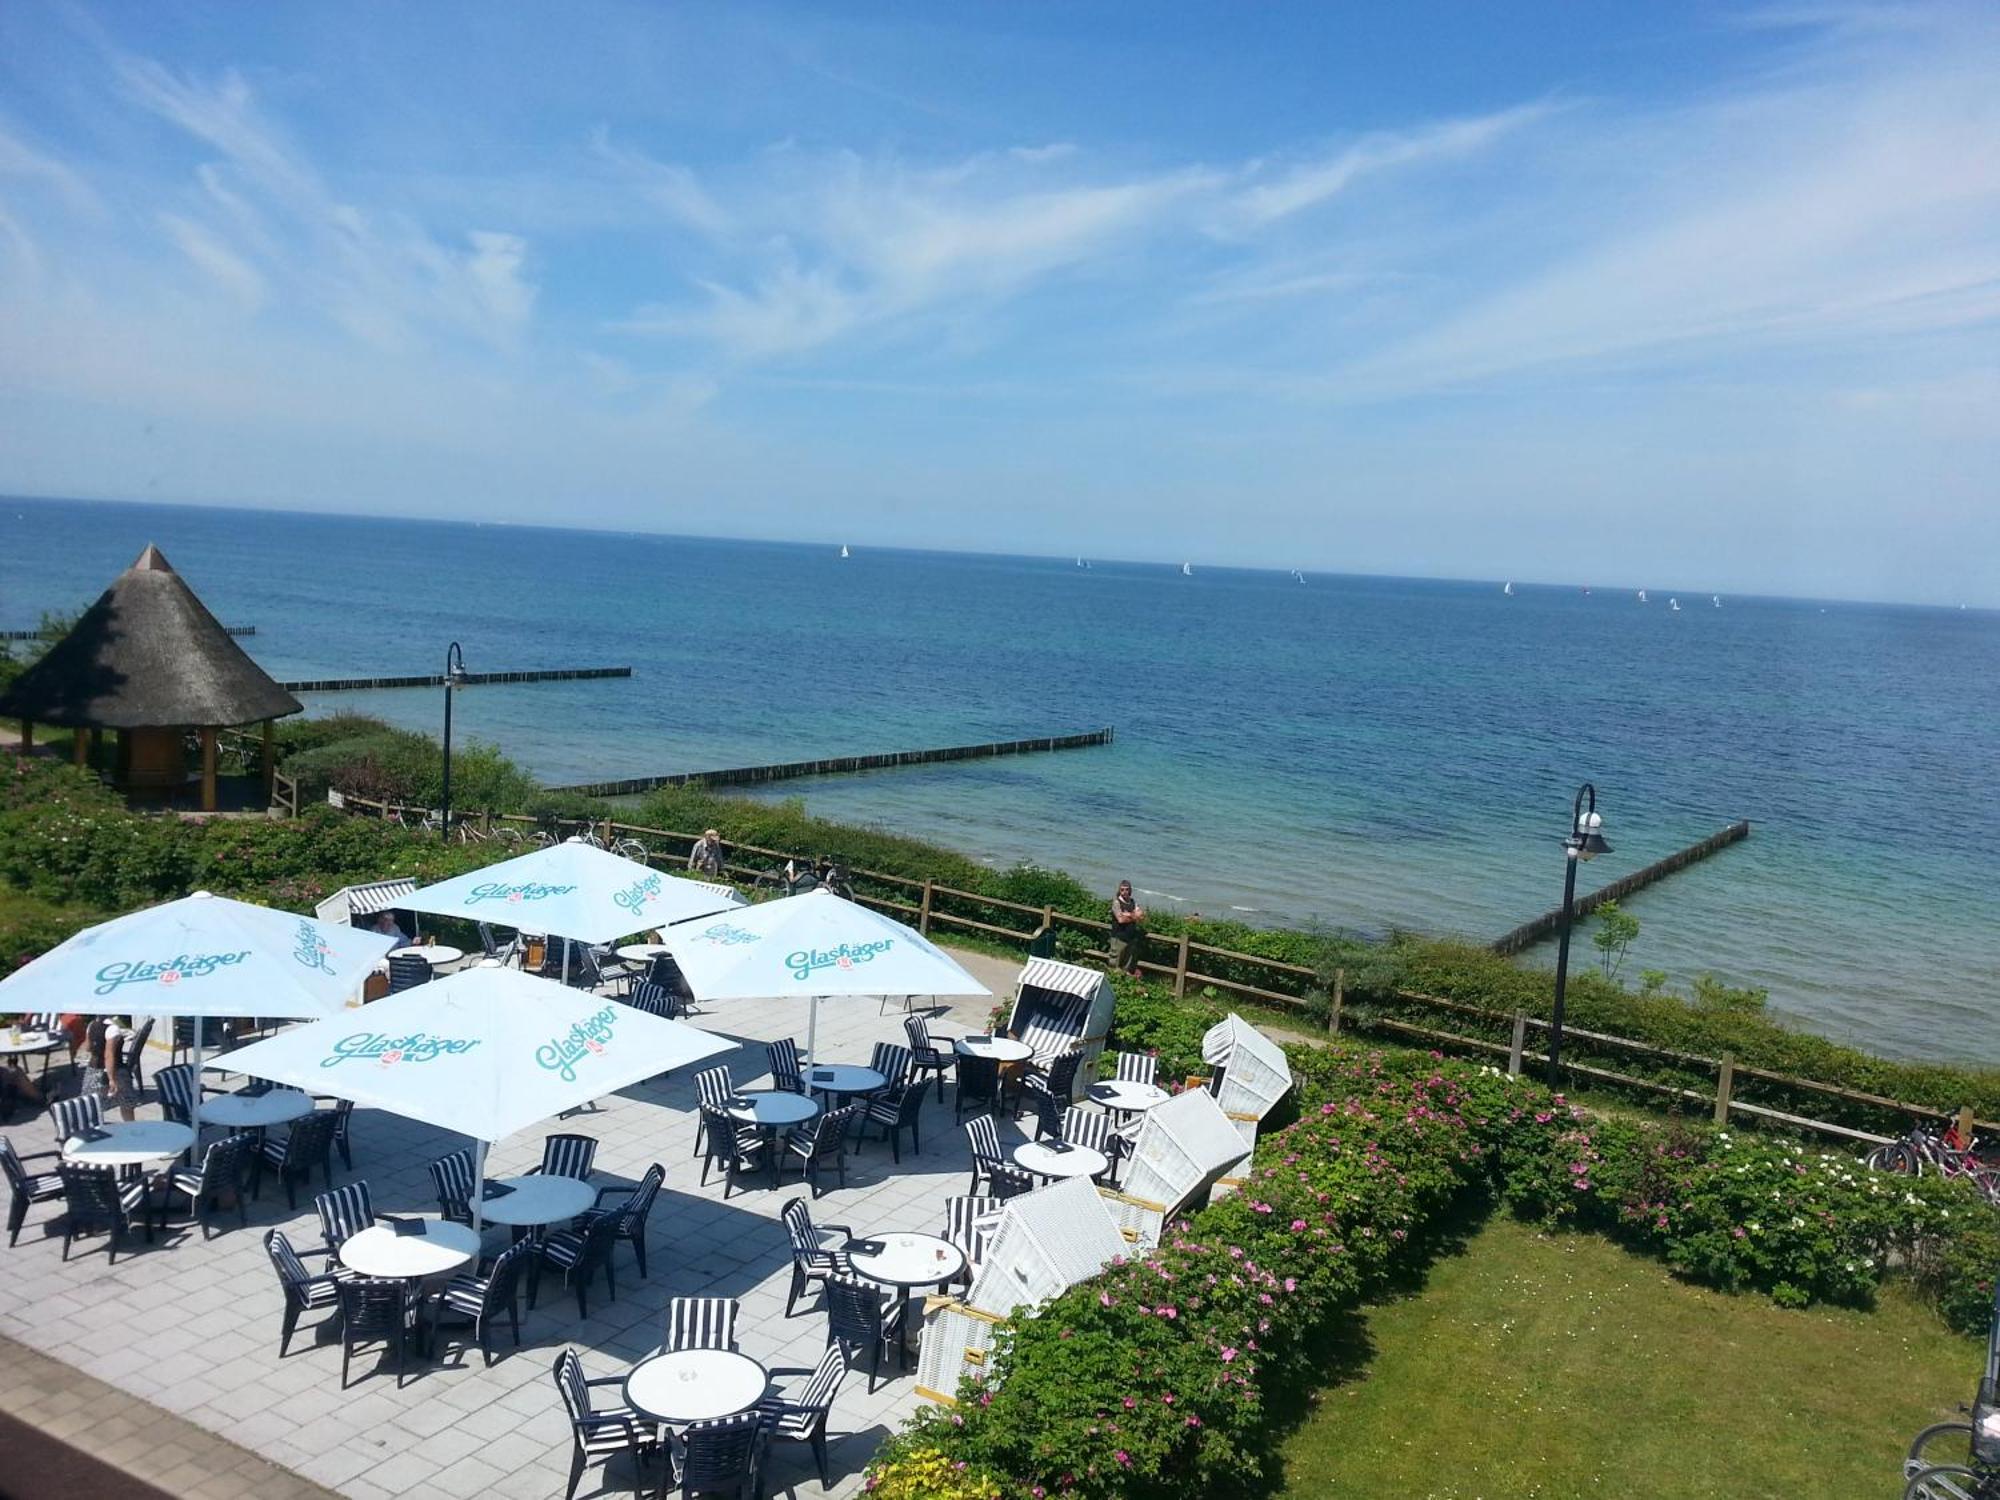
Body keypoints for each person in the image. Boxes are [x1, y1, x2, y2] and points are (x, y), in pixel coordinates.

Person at [82, 1015, 137, 1122]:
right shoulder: (113, 1029)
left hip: (93, 1070)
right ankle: (130, 1126)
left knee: (91, 1104)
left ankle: (96, 1128)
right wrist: (111, 1079)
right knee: (127, 1102)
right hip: (115, 1070)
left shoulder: (91, 1025)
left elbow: (88, 1047)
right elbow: (109, 1055)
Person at [1108, 881, 1146, 978]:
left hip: (1130, 938)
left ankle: (1124, 983)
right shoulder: (1116, 902)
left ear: (1130, 890)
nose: (1124, 892)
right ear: (1119, 890)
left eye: (1127, 889)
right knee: (1115, 965)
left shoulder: (1133, 902)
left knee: (1127, 966)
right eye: (1122, 890)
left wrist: (1128, 915)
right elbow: (1120, 919)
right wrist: (1134, 915)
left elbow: (1141, 916)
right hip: (1118, 938)